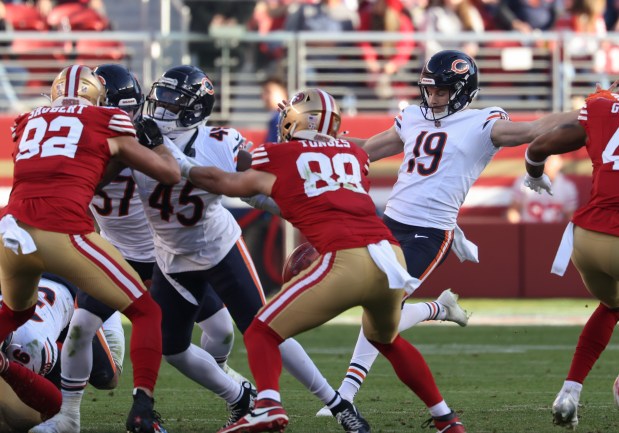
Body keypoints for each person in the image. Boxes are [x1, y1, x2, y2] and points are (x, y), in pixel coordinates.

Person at [182, 88, 467, 433]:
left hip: (346, 258)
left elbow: (224, 182)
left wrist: (178, 163)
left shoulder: (278, 154)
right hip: (390, 257)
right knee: (385, 339)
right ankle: (446, 420)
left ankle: (268, 405)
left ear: (298, 120)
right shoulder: (354, 153)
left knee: (261, 330)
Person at [312, 49, 579, 413]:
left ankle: (346, 393)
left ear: (463, 90)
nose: (433, 98)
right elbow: (364, 152)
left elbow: (533, 129)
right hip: (388, 223)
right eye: (430, 90)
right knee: (376, 309)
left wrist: (588, 111)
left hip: (431, 231)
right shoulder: (412, 117)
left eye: (441, 91)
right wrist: (314, 140)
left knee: (382, 309)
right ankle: (439, 308)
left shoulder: (482, 123)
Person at [140, 65, 355, 430]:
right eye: (161, 95)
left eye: (175, 100)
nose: (162, 105)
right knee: (172, 347)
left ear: (196, 108)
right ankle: (240, 396)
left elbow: (261, 188)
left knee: (266, 327)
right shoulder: (137, 136)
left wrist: (307, 218)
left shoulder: (221, 141)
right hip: (171, 256)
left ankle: (337, 404)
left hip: (219, 247)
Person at [0, 64, 180, 433]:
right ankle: (142, 407)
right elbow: (169, 174)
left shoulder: (27, 121)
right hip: (61, 231)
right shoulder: (106, 118)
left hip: (10, 230)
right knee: (147, 312)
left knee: (15, 313)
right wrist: (157, 144)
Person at [523, 85, 619, 429]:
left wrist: (534, 174)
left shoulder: (600, 108)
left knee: (612, 306)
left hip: (588, 237)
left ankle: (569, 392)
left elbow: (539, 147)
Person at [0, 273, 124, 433]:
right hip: (24, 284)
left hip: (70, 295)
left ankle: (106, 305)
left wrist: (8, 369)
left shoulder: (30, 347)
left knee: (107, 378)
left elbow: (57, 406)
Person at [506, 154, 579, 223]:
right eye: (545, 159)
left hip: (555, 232)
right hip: (529, 230)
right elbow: (514, 211)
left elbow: (570, 216)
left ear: (560, 162)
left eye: (551, 159)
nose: (548, 163)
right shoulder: (524, 181)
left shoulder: (567, 187)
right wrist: (518, 230)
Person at [261, 77, 288, 143]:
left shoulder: (282, 118)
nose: (264, 97)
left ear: (283, 93)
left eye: (268, 92)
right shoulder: (276, 117)